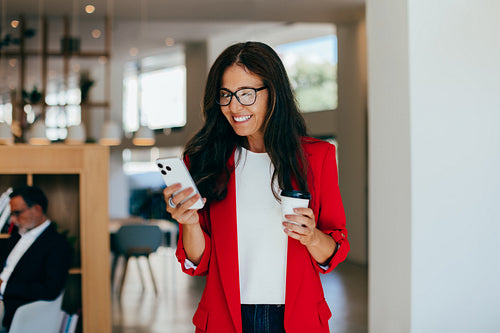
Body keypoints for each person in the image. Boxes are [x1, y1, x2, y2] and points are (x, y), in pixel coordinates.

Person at [163, 41, 349, 333]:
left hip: (297, 319)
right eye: (225, 95)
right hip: (226, 319)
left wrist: (311, 237)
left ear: (273, 93)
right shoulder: (205, 161)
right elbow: (199, 262)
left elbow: (333, 250)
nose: (234, 106)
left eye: (246, 94)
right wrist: (189, 223)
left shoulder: (316, 158)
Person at [0, 185, 72, 331]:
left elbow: (50, 290)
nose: (12, 219)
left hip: (14, 306)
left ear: (37, 210)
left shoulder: (57, 245)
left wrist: (3, 286)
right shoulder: (15, 237)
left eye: (17, 213)